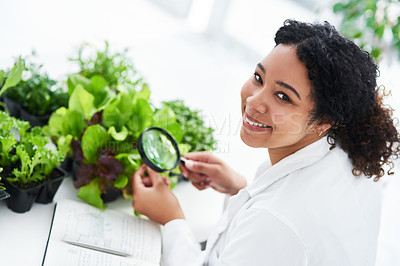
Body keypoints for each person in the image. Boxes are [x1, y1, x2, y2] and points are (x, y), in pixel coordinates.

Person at [132, 20, 400, 265]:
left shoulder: (277, 220)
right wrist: (239, 190)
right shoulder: (348, 156)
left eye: (283, 97)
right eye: (259, 77)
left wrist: (171, 219)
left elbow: (275, 228)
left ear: (323, 121)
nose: (253, 101)